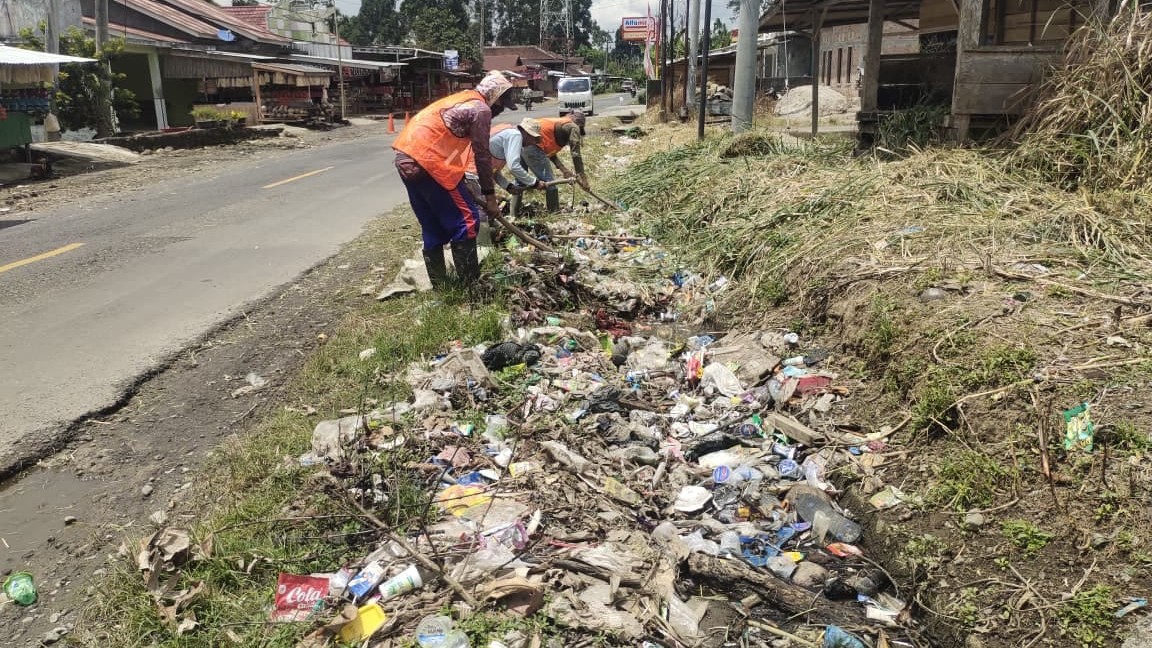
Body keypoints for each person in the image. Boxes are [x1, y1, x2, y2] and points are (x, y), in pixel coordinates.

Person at [392, 72, 517, 288]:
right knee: (467, 222)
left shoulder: (461, 98)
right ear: (495, 96)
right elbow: (482, 155)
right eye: (502, 104)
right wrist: (490, 198)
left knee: (431, 226)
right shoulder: (481, 109)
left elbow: (451, 146)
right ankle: (470, 287)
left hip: (405, 156)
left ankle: (443, 289)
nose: (500, 110)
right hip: (429, 161)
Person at [463, 118, 548, 241]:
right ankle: (483, 247)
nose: (532, 143)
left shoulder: (508, 136)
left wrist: (507, 186)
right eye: (533, 139)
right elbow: (514, 167)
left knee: (484, 211)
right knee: (480, 212)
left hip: (478, 175)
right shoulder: (515, 135)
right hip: (473, 175)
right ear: (526, 133)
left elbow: (494, 171)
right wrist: (534, 183)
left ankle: (489, 238)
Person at [522, 110, 588, 213]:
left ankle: (514, 214)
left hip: (522, 142)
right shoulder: (573, 126)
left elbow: (549, 151)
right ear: (578, 123)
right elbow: (576, 154)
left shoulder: (557, 124)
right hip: (532, 145)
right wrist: (582, 176)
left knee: (520, 181)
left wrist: (563, 169)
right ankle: (554, 212)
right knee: (549, 182)